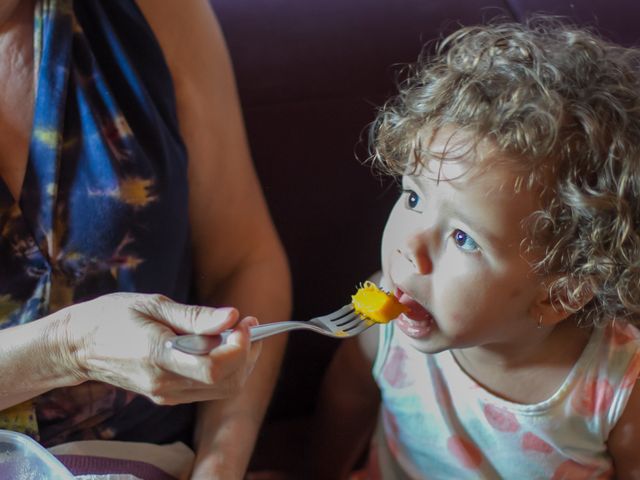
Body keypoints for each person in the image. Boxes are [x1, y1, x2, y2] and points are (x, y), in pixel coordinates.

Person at [306, 17, 640, 479]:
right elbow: (348, 397)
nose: (410, 246)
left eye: (463, 238)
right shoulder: (381, 328)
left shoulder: (617, 387)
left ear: (557, 295)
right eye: (414, 196)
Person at [0, 0, 291, 479]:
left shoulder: (156, 12)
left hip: (151, 462)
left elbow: (244, 260)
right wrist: (69, 348)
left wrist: (220, 464)